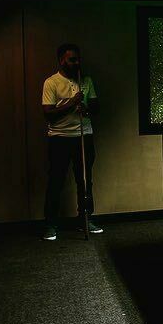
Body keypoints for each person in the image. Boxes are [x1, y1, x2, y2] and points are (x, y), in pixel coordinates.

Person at [41, 43, 101, 240]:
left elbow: (96, 107)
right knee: (56, 181)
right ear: (61, 60)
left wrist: (87, 109)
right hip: (60, 137)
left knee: (84, 180)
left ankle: (85, 219)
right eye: (72, 60)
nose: (77, 63)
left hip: (84, 135)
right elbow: (49, 114)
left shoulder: (86, 80)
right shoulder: (51, 82)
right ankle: (51, 224)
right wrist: (72, 103)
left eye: (78, 59)